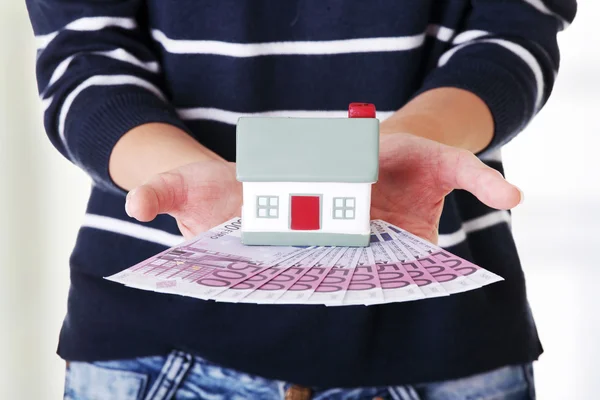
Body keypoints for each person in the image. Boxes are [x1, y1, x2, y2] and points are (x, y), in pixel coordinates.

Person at [26, 1, 576, 399]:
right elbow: (85, 52)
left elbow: (512, 30)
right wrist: (178, 175)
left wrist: (398, 149)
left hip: (442, 341)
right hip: (155, 346)